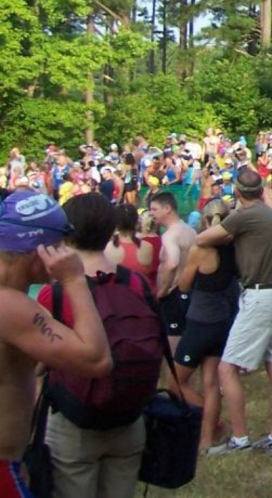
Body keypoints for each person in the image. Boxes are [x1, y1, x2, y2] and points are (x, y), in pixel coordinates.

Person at [35, 193, 154, 498]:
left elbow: (38, 365)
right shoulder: (137, 284)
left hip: (75, 419)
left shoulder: (57, 295)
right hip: (129, 416)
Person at [0, 191, 112, 498]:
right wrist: (74, 280)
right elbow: (97, 359)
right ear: (39, 251)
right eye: (61, 245)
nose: (68, 253)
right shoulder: (12, 308)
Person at [197, 169, 272, 456]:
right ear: (263, 190)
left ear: (238, 193)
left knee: (227, 368)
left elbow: (204, 239)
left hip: (261, 295)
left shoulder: (244, 216)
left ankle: (239, 439)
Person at [174, 199, 241, 451]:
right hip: (223, 321)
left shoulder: (200, 249)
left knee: (175, 381)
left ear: (205, 220)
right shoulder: (234, 247)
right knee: (212, 383)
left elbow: (183, 285)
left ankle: (217, 423)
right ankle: (206, 439)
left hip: (201, 321)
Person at [149, 192, 195, 355]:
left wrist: (162, 291)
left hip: (173, 294)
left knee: (174, 352)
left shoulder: (170, 235)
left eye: (154, 209)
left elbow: (172, 263)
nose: (151, 214)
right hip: (188, 292)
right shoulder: (189, 230)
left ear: (167, 208)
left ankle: (175, 379)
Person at [103, 203, 154, 284]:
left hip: (119, 294)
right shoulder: (148, 247)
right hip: (140, 295)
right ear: (136, 222)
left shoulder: (108, 248)